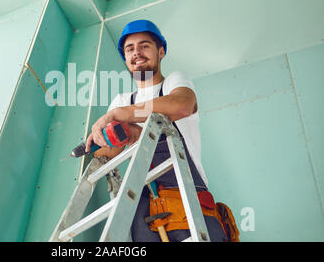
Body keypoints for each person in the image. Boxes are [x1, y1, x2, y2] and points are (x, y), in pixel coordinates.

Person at [85, 19, 228, 242]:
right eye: (129, 49)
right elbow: (106, 155)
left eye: (144, 46)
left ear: (160, 51)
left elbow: (182, 105)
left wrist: (123, 114)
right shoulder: (122, 100)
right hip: (142, 210)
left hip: (188, 200)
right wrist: (112, 136)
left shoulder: (173, 82)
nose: (136, 53)